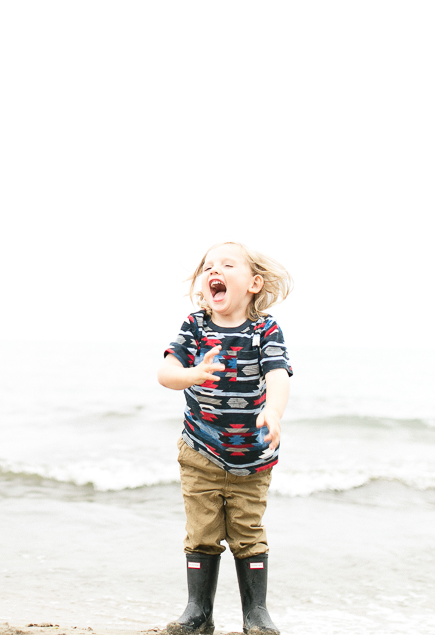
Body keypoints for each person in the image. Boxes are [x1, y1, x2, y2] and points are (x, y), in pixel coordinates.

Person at [158, 242, 293, 635]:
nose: (214, 269)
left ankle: (256, 613)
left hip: (252, 456)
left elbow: (278, 375)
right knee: (201, 530)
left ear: (253, 283)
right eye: (208, 266)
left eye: (227, 264)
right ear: (203, 285)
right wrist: (193, 374)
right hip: (200, 449)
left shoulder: (264, 328)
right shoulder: (195, 326)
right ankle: (198, 610)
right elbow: (166, 373)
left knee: (248, 533)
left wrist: (272, 410)